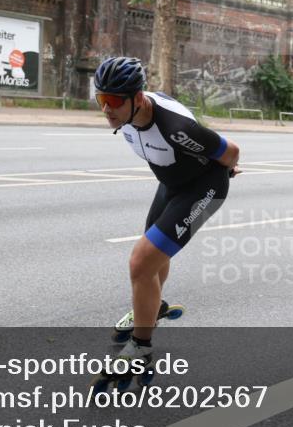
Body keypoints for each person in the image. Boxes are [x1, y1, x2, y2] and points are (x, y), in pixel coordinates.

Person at [94, 56, 241, 364]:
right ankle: (152, 305)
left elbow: (231, 152)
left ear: (137, 98)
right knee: (153, 257)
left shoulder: (175, 127)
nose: (106, 109)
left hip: (204, 188)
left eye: (113, 100)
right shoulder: (128, 115)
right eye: (100, 98)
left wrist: (225, 171)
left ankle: (141, 346)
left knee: (141, 261)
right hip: (172, 184)